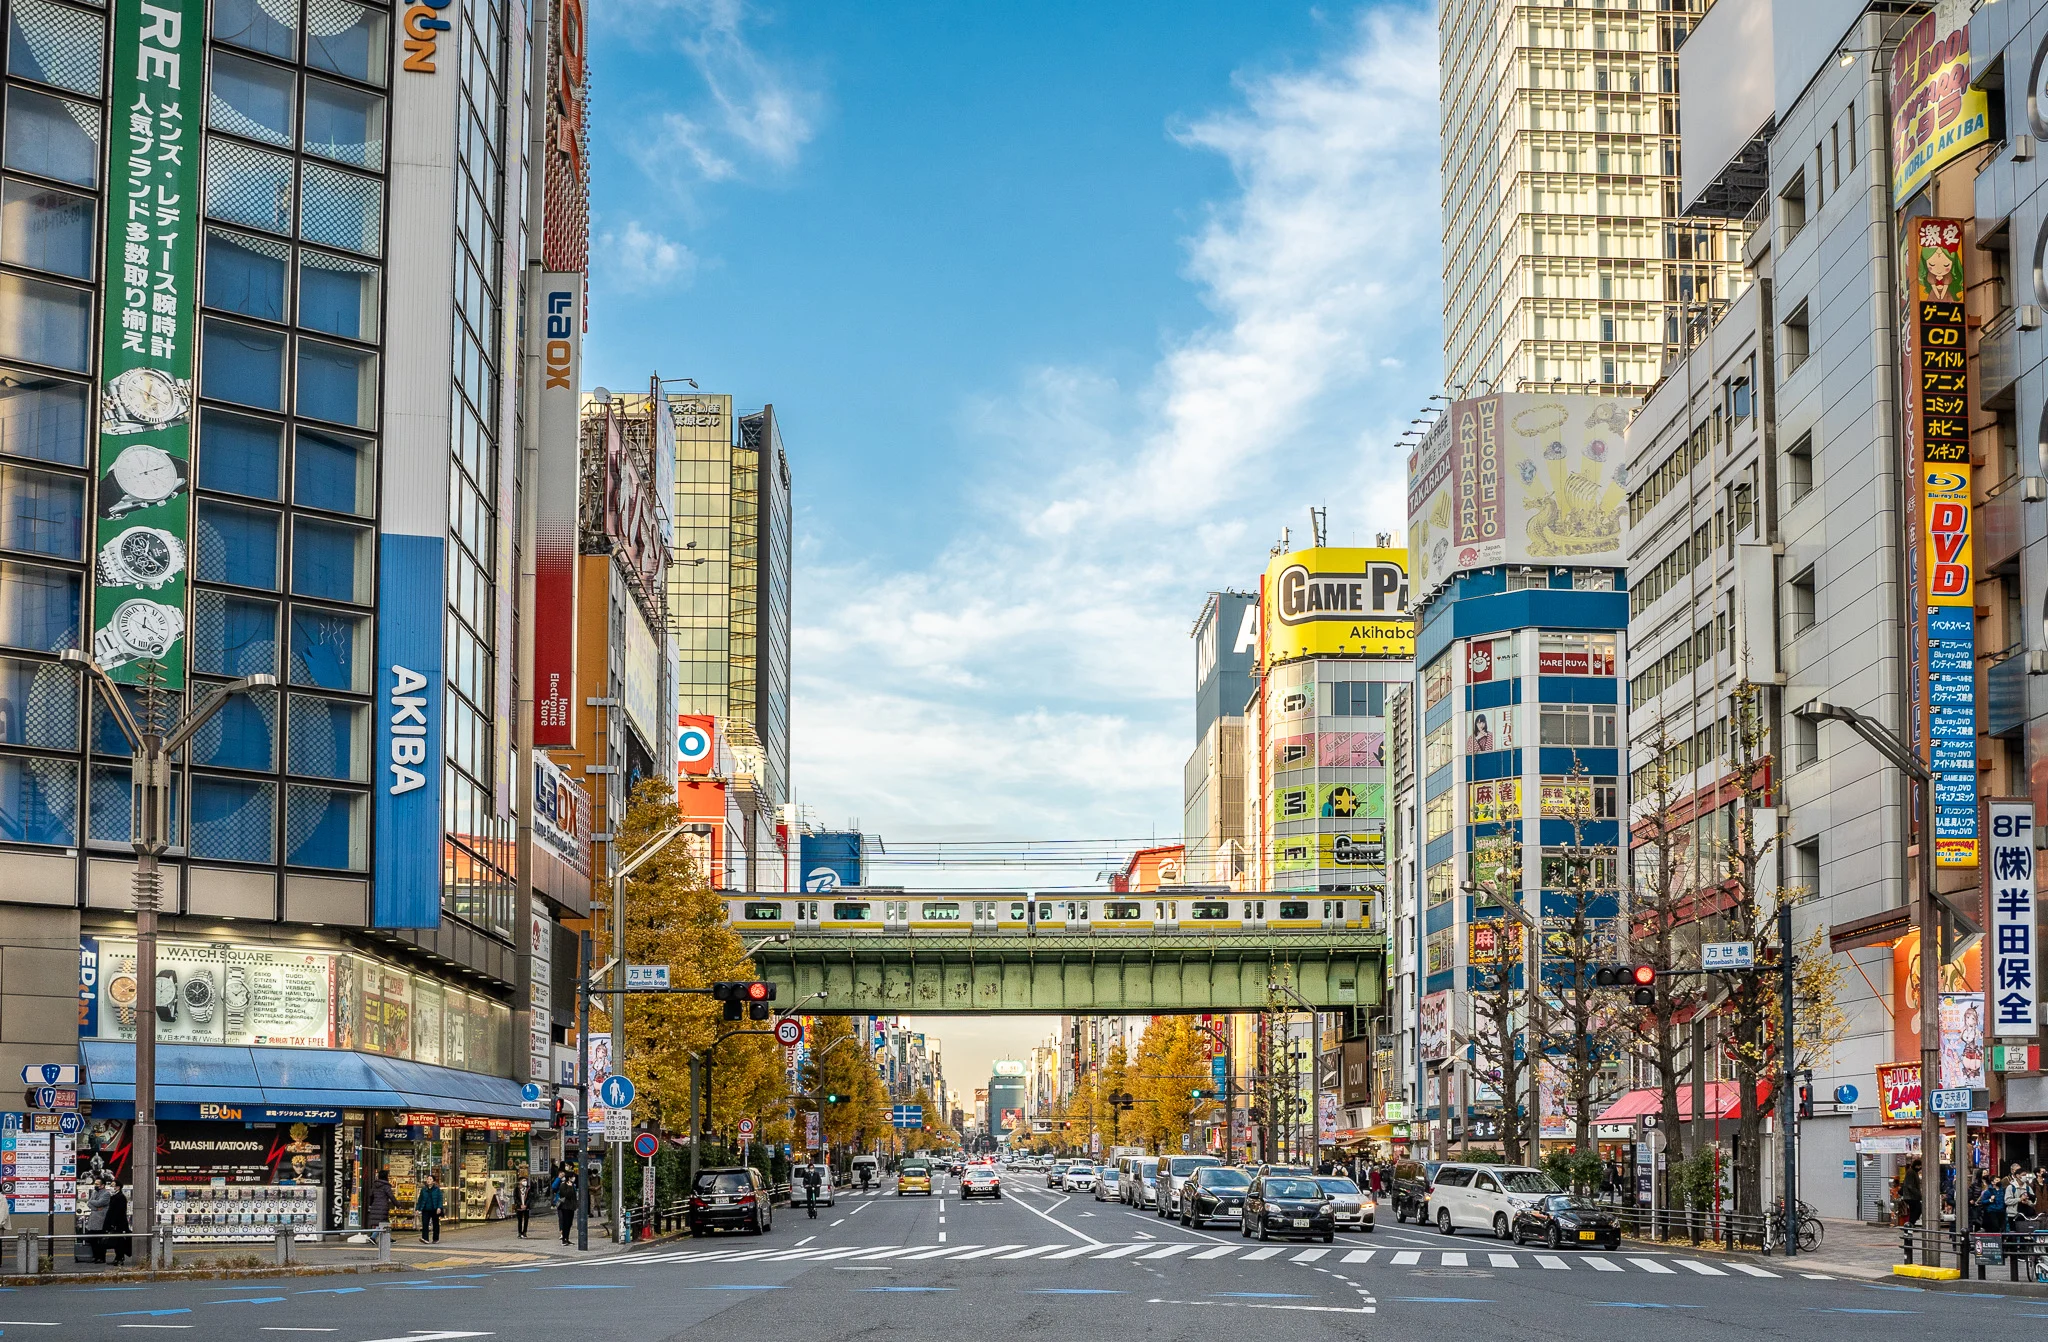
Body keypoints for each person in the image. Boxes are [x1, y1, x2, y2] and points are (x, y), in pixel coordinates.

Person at [83, 1177, 111, 1263]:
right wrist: (95, 1208)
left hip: (101, 1220)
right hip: (94, 1218)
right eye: (95, 1184)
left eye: (97, 1184)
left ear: (102, 1185)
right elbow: (89, 1203)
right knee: (92, 1239)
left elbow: (100, 1203)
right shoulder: (95, 1192)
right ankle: (95, 1256)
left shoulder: (106, 1194)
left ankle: (101, 1257)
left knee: (101, 1240)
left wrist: (93, 1203)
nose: (95, 1186)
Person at [102, 1183, 130, 1266]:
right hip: (115, 1223)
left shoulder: (120, 1197)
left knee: (119, 1241)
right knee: (116, 1241)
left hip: (119, 1223)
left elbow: (119, 1212)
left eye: (112, 1185)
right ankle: (117, 1258)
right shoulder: (114, 1197)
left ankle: (120, 1258)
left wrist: (113, 1223)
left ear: (118, 1187)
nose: (111, 1187)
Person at [416, 1173, 444, 1243]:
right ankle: (425, 1238)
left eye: (430, 1179)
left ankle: (435, 1239)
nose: (428, 1180)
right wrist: (417, 1209)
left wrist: (439, 1207)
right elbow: (420, 1200)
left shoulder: (437, 1190)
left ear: (434, 1181)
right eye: (428, 1179)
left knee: (435, 1224)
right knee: (425, 1223)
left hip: (434, 1209)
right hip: (425, 1209)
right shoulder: (423, 1190)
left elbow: (440, 1199)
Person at [553, 1165, 577, 1245]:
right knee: (565, 1222)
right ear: (569, 1178)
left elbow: (574, 1196)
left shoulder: (573, 1185)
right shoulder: (563, 1185)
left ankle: (567, 1238)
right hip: (565, 1207)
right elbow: (566, 1195)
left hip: (571, 1207)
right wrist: (570, 1187)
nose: (574, 1178)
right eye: (572, 1177)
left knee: (569, 1223)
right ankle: (564, 1238)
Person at [1899, 1160, 1923, 1227]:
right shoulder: (1911, 1172)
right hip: (1911, 1196)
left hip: (1911, 1196)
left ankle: (1911, 1223)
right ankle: (1911, 1223)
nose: (1920, 1168)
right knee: (1918, 1208)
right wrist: (1918, 1194)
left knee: (1914, 1209)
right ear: (1916, 1166)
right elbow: (1910, 1186)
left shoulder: (1913, 1172)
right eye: (1919, 1166)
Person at [512, 1169, 535, 1239]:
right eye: (523, 1181)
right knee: (519, 1220)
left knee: (526, 1220)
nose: (525, 1182)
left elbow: (530, 1198)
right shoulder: (516, 1189)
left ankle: (524, 1232)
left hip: (526, 1207)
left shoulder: (528, 1189)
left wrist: (526, 1205)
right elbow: (515, 1198)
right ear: (520, 1182)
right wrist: (520, 1205)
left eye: (526, 1181)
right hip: (519, 1207)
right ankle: (519, 1233)